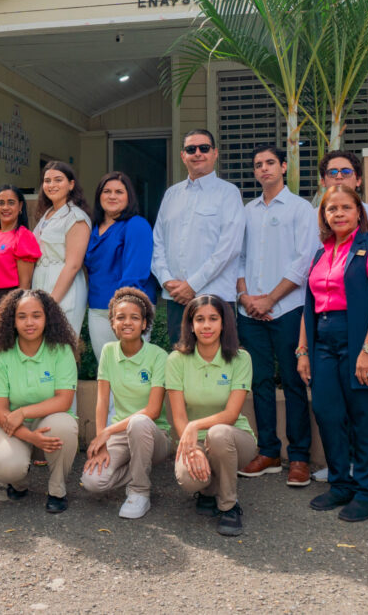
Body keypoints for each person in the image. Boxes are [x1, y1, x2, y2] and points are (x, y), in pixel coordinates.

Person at [297, 185, 368, 523]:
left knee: (364, 416)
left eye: (346, 207)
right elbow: (309, 306)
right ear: (324, 215)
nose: (339, 213)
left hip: (358, 337)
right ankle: (341, 484)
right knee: (327, 412)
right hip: (323, 341)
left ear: (359, 212)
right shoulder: (321, 253)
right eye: (332, 209)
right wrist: (303, 350)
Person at [234, 146, 319, 486]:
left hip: (288, 309)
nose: (264, 169)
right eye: (258, 165)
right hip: (250, 311)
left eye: (270, 162)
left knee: (294, 382)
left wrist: (270, 299)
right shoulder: (247, 211)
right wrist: (245, 298)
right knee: (260, 382)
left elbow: (304, 260)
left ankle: (299, 457)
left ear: (283, 167)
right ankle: (268, 451)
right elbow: (238, 258)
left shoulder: (300, 209)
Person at [0, 289, 80, 514]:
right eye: (22, 316)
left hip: (47, 421)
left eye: (36, 315)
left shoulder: (61, 351)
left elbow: (64, 400)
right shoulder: (0, 354)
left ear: (47, 318)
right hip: (8, 423)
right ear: (12, 321)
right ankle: (18, 482)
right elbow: (0, 411)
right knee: (6, 467)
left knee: (64, 426)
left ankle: (57, 489)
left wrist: (23, 412)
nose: (29, 323)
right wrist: (30, 437)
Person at [168, 295, 255, 537]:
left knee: (218, 434)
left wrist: (195, 425)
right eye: (200, 319)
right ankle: (208, 490)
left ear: (224, 323)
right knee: (189, 479)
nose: (206, 326)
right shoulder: (176, 360)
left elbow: (231, 414)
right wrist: (193, 448)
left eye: (213, 319)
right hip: (193, 439)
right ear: (191, 325)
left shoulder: (241, 358)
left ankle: (229, 505)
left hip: (234, 439)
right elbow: (179, 416)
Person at [81, 287, 170, 519]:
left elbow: (153, 411)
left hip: (153, 434)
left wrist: (107, 431)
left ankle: (140, 491)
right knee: (92, 481)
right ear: (112, 323)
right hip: (120, 434)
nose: (127, 322)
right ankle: (139, 469)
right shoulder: (109, 352)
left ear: (144, 323)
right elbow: (102, 401)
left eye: (134, 317)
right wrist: (101, 441)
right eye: (120, 317)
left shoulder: (159, 356)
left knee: (139, 422)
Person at [152, 129, 246, 345]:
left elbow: (229, 248)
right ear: (183, 156)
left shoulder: (229, 193)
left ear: (215, 153)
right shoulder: (171, 194)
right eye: (190, 149)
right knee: (181, 357)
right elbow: (157, 242)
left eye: (204, 148)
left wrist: (192, 285)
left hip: (215, 297)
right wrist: (166, 280)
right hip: (176, 297)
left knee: (218, 360)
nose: (197, 153)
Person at [83, 172, 155, 351]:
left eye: (119, 192)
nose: (112, 196)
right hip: (97, 308)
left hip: (129, 310)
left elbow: (135, 273)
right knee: (105, 365)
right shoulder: (93, 228)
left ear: (129, 197)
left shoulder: (136, 225)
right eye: (107, 191)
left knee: (131, 365)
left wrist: (124, 312)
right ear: (99, 196)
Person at [32, 162, 91, 335]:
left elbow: (73, 265)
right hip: (40, 282)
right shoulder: (46, 214)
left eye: (58, 180)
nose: (52, 185)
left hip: (64, 286)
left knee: (62, 341)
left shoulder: (76, 217)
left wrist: (52, 301)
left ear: (71, 184)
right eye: (47, 181)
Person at [0, 184, 41, 328]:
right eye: (1, 203)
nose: (5, 207)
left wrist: (18, 311)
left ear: (20, 207)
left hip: (9, 303)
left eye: (11, 203)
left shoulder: (23, 236)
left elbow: (25, 284)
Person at [319, 150, 368, 236]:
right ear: (323, 181)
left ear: (358, 180)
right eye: (332, 172)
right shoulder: (311, 217)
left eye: (346, 172)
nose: (339, 176)